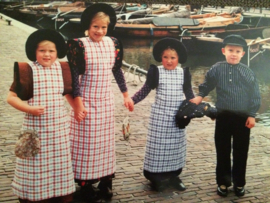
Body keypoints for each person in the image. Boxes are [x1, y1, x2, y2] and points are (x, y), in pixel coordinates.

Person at [65, 3, 134, 202]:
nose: (99, 31)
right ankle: (86, 184)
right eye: (96, 27)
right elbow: (74, 78)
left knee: (104, 145)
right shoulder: (78, 45)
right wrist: (78, 104)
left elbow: (117, 71)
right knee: (84, 144)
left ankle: (106, 182)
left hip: (105, 102)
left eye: (104, 27)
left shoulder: (113, 43)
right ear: (88, 26)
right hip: (85, 101)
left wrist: (126, 95)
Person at [7, 29, 76, 203]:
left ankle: (60, 193)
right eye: (42, 51)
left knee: (58, 164)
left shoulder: (63, 69)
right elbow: (11, 97)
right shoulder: (27, 70)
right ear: (34, 52)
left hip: (58, 130)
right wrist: (28, 109)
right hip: (34, 129)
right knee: (33, 165)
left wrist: (78, 108)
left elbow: (68, 93)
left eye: (51, 51)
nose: (47, 55)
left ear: (57, 52)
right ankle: (33, 196)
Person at [190, 34, 261, 197]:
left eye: (237, 51)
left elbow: (255, 95)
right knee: (222, 150)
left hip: (242, 118)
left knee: (240, 151)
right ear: (224, 51)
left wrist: (251, 115)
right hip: (223, 116)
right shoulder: (217, 68)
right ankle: (223, 182)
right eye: (230, 50)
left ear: (243, 54)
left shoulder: (247, 72)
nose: (234, 54)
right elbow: (207, 83)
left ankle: (239, 183)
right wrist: (200, 95)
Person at [131, 38, 195, 192]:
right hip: (160, 117)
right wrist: (133, 100)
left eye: (173, 58)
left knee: (175, 147)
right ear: (161, 57)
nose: (169, 61)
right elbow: (146, 89)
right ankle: (155, 177)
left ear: (178, 58)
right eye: (166, 57)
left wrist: (195, 107)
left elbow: (189, 93)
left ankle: (174, 176)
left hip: (177, 117)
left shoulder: (184, 73)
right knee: (157, 147)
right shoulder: (156, 72)